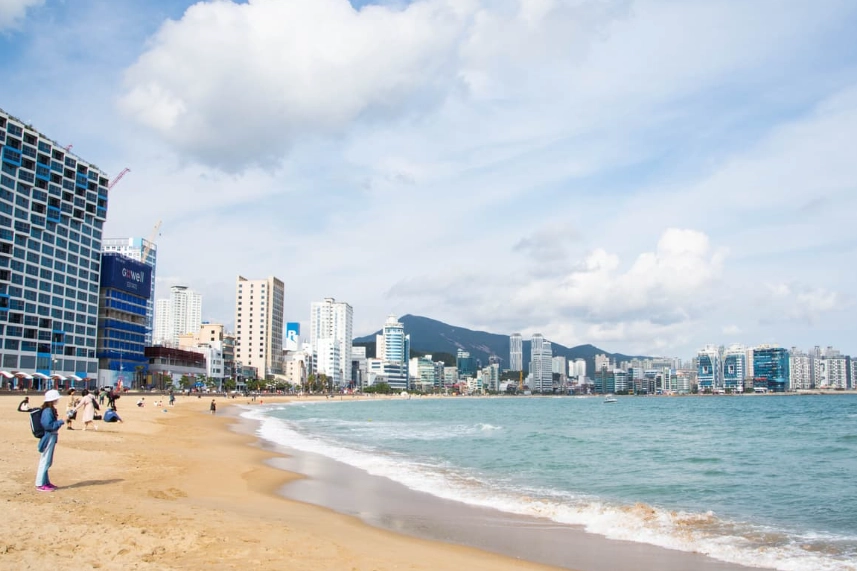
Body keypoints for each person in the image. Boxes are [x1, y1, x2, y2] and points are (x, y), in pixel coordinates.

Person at [35, 389, 65, 491]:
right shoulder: (47, 411)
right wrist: (61, 421)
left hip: (50, 436)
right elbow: (48, 425)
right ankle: (40, 484)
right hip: (48, 437)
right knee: (45, 461)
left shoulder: (49, 409)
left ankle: (45, 482)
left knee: (47, 461)